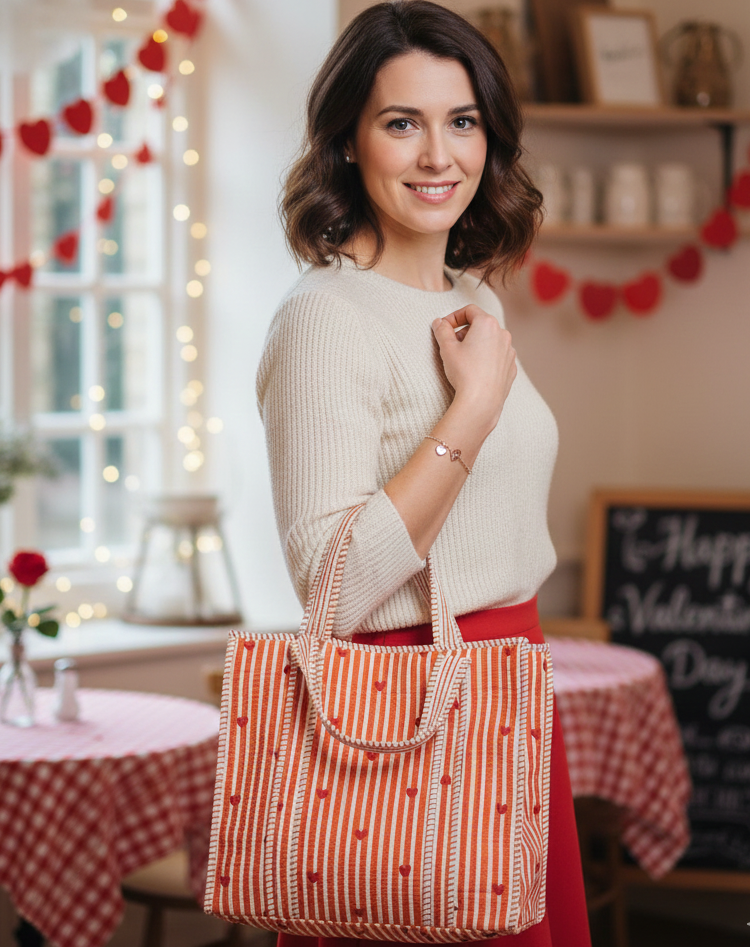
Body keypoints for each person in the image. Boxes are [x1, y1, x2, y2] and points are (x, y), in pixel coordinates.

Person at [255, 2, 592, 946]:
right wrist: (472, 412)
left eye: (462, 121)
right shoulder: (322, 319)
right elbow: (333, 584)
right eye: (401, 122)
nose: (437, 154)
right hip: (402, 717)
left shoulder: (469, 297)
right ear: (346, 144)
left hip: (507, 692)